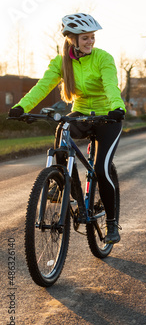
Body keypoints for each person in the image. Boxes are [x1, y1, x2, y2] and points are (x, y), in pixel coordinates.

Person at [8, 13, 126, 244]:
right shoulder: (60, 63)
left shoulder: (103, 58)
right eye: (85, 38)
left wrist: (117, 107)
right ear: (72, 39)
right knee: (62, 129)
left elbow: (111, 85)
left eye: (92, 37)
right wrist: (21, 106)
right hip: (81, 113)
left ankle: (111, 225)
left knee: (101, 169)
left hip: (107, 117)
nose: (90, 42)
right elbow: (42, 87)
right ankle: (63, 185)